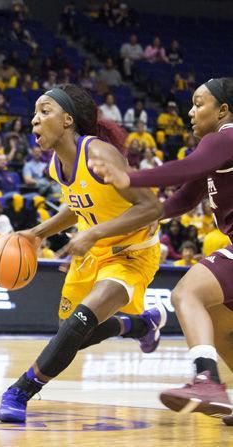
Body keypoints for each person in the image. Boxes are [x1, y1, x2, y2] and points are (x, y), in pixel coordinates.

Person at [0, 84, 166, 424]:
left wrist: (93, 234)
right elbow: (79, 206)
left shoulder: (100, 155)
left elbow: (151, 207)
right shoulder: (55, 166)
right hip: (93, 250)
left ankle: (19, 390)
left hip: (131, 253)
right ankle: (138, 324)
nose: (34, 121)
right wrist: (36, 233)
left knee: (78, 325)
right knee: (72, 333)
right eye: (34, 113)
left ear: (67, 120)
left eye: (44, 111)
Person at [89, 78, 233, 424]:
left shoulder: (226, 137)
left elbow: (185, 167)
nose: (191, 111)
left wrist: (131, 179)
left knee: (186, 294)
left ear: (223, 110)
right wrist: (151, 217)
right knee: (216, 321)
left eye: (199, 104)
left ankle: (207, 381)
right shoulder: (220, 150)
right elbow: (184, 196)